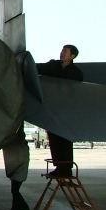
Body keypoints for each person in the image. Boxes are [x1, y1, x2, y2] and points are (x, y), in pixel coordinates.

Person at [37, 44, 84, 178]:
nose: (62, 53)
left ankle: (66, 169)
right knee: (53, 138)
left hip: (66, 111)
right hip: (53, 109)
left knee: (65, 140)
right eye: (62, 50)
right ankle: (59, 167)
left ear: (72, 56)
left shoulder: (76, 73)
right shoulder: (52, 65)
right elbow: (38, 68)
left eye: (65, 51)